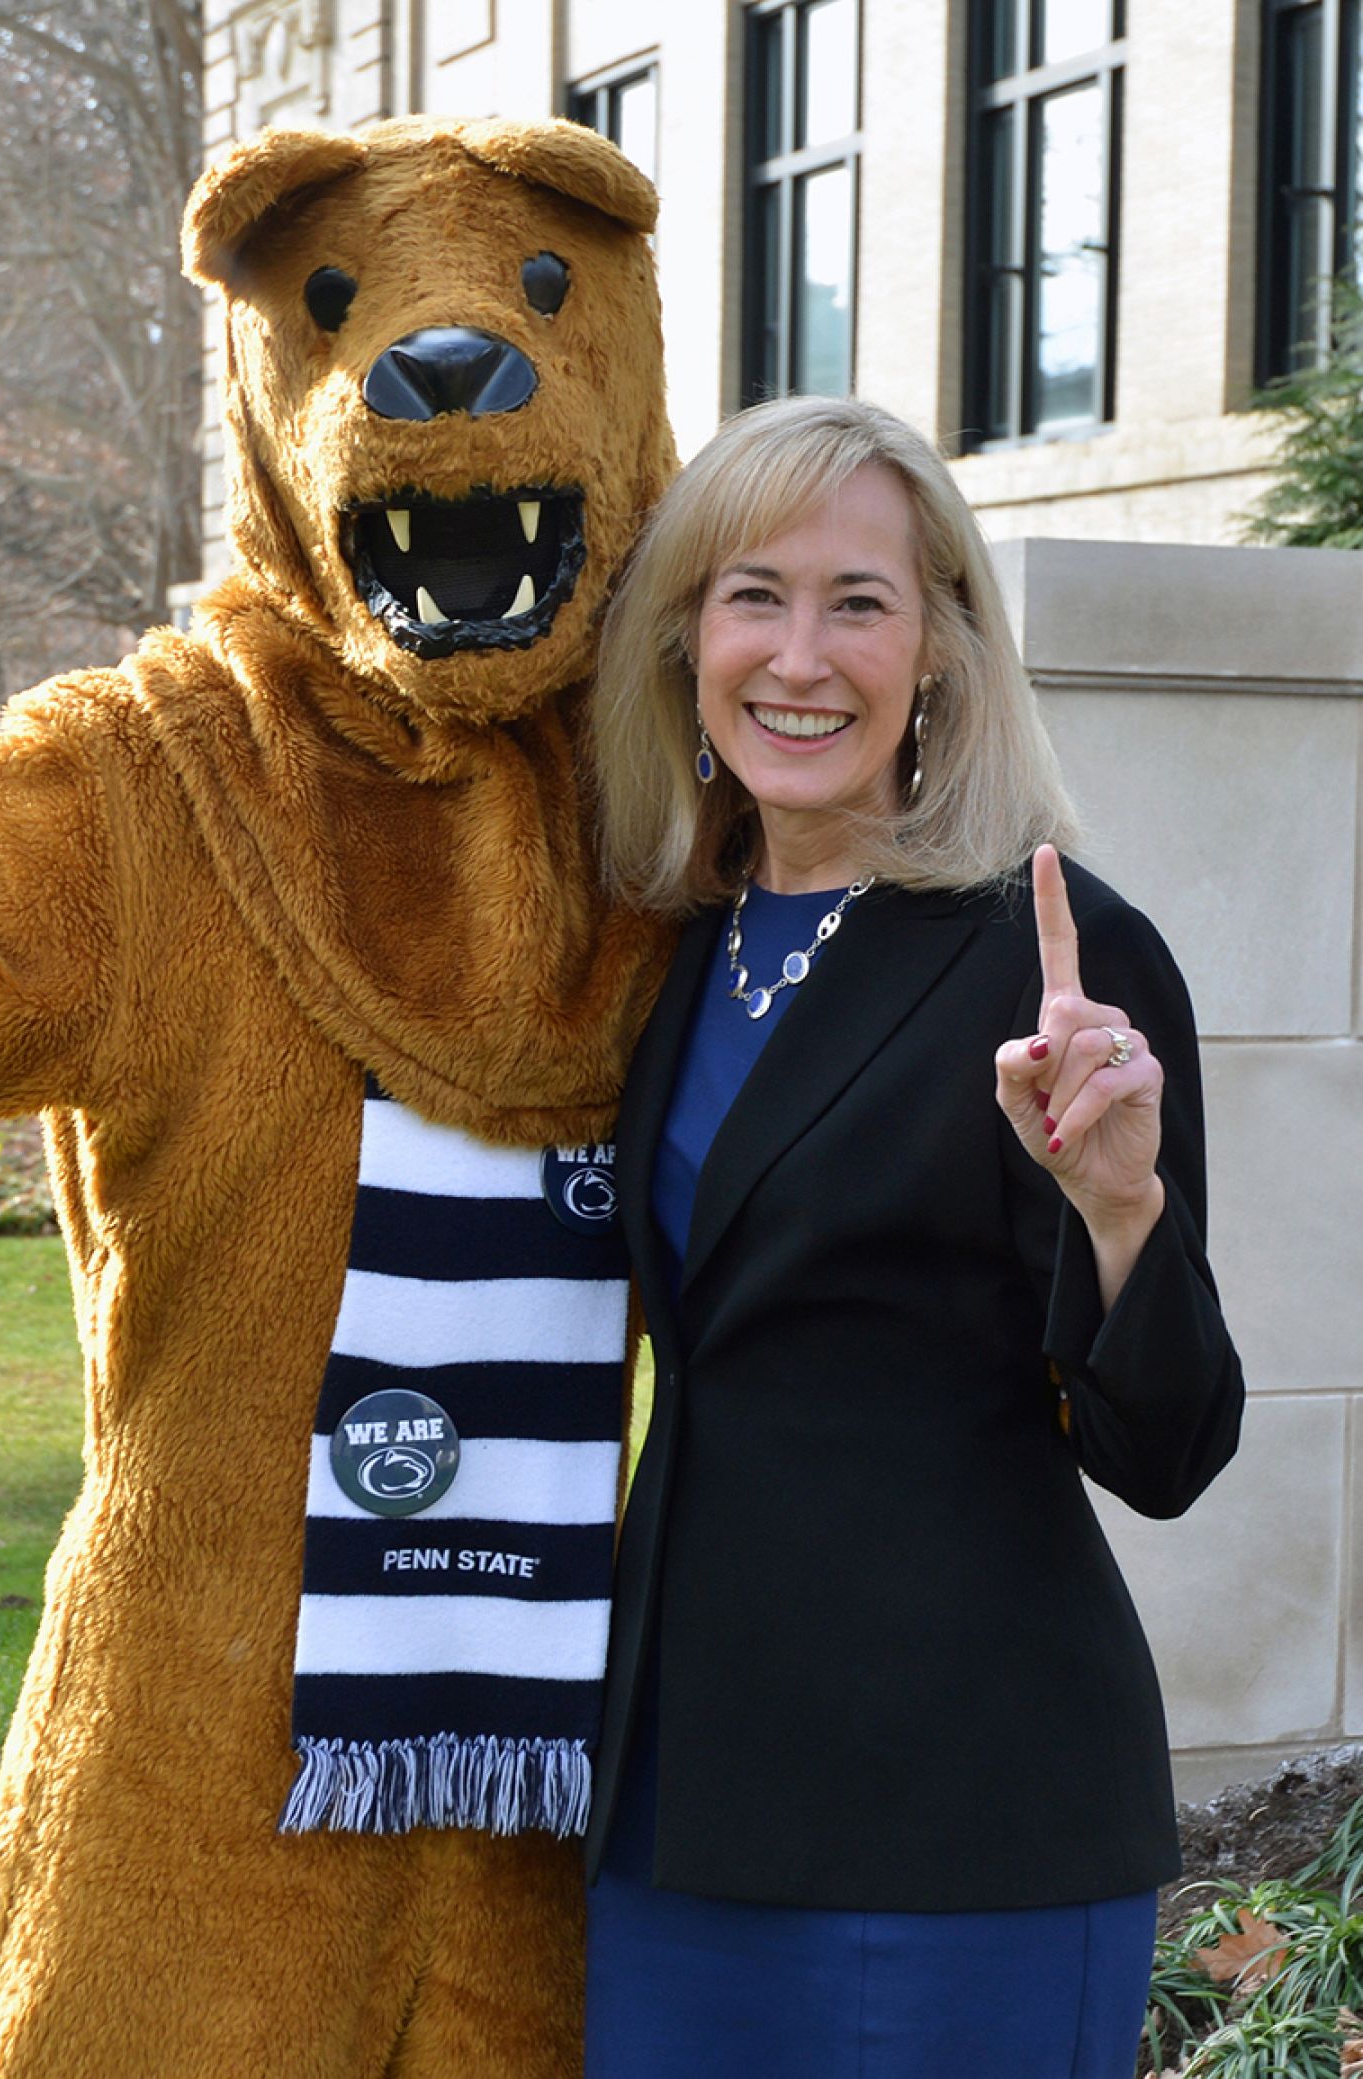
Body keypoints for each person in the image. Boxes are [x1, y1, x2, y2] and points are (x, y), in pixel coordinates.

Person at [583, 394, 1244, 2079]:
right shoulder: (668, 943)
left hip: (964, 1815)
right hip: (682, 1795)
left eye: (859, 602)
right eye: (753, 594)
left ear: (940, 646)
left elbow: (1167, 1446)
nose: (801, 655)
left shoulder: (1060, 957)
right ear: (684, 636)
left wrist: (1120, 1210)